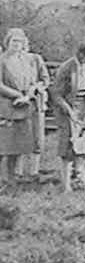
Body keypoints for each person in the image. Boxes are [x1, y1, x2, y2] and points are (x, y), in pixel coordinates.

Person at [50, 41, 85, 192]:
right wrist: (68, 111)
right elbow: (56, 94)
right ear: (81, 54)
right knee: (67, 147)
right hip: (67, 109)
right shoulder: (67, 68)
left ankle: (80, 179)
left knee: (84, 144)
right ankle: (66, 186)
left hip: (83, 108)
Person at [0, 29, 41, 185]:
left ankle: (11, 178)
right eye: (14, 41)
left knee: (17, 145)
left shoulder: (26, 60)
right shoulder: (2, 60)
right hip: (6, 106)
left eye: (20, 41)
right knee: (4, 145)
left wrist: (29, 93)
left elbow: (33, 80)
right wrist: (17, 95)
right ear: (7, 42)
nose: (17, 44)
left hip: (24, 107)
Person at [18, 36, 50, 180]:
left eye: (25, 45)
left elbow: (45, 79)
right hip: (17, 103)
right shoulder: (7, 62)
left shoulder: (35, 59)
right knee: (18, 136)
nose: (23, 48)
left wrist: (36, 87)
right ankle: (16, 172)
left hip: (35, 102)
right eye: (19, 45)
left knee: (37, 137)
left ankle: (34, 171)